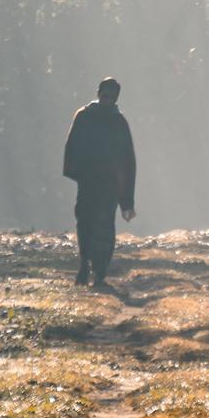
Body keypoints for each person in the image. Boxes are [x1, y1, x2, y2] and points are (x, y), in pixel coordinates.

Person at [62, 77, 136, 288]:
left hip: (109, 185)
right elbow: (72, 146)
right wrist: (78, 173)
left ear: (116, 99)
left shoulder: (118, 122)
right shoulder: (84, 116)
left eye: (111, 97)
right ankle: (85, 263)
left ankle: (100, 270)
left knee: (104, 226)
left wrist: (127, 200)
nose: (107, 100)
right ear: (98, 93)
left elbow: (127, 161)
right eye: (105, 95)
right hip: (88, 182)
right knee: (85, 223)